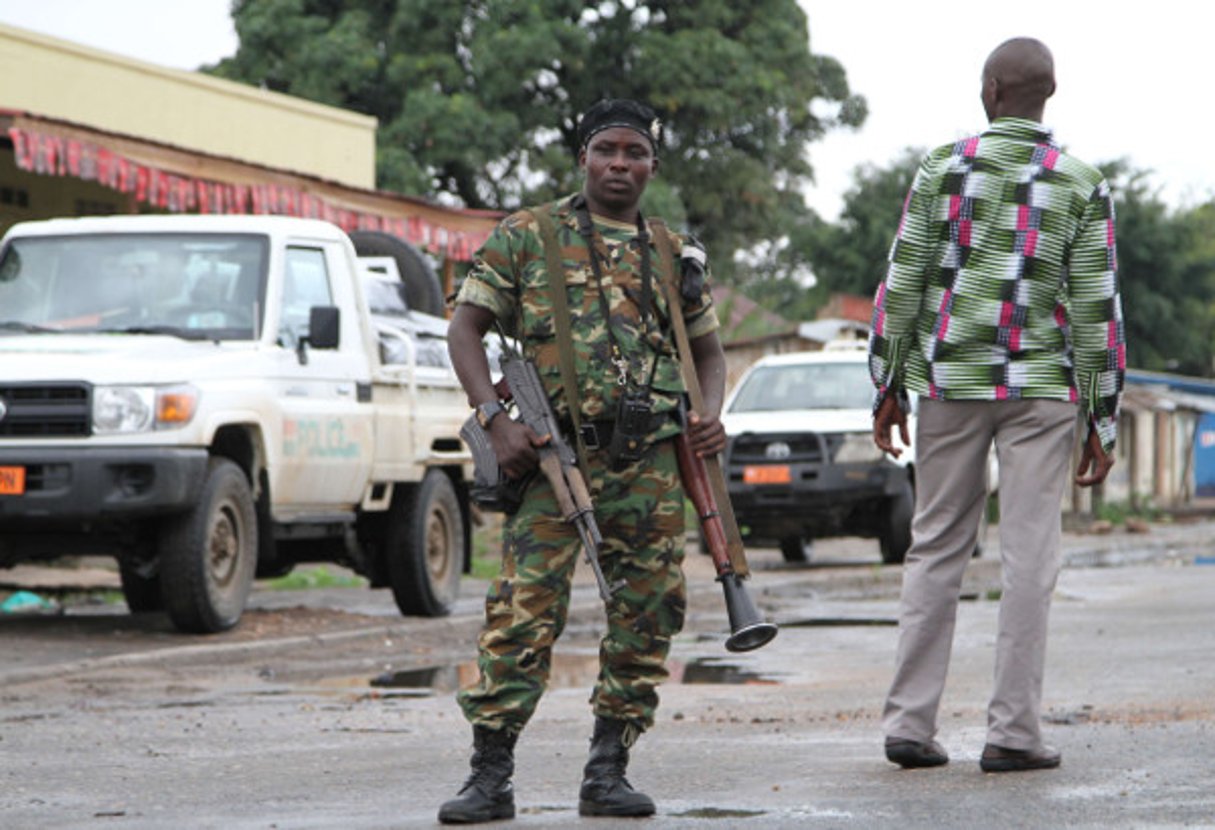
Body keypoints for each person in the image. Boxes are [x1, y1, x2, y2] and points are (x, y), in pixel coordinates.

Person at [439, 98, 727, 823]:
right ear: (583, 159)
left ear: (652, 165)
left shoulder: (673, 250)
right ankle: (489, 776)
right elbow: (465, 330)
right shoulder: (526, 237)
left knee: (648, 611)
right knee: (524, 610)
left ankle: (608, 771)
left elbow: (709, 350)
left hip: (650, 464)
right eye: (607, 151)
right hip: (551, 456)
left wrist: (708, 413)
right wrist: (493, 420)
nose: (620, 165)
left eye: (634, 153)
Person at [868, 37, 1125, 774]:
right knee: (1028, 557)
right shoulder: (1079, 182)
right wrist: (1100, 417)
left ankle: (909, 725)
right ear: (1050, 94)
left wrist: (887, 385)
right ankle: (1012, 733)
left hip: (950, 382)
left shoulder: (942, 167)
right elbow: (1094, 309)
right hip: (1040, 390)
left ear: (989, 91)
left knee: (934, 546)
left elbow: (904, 282)